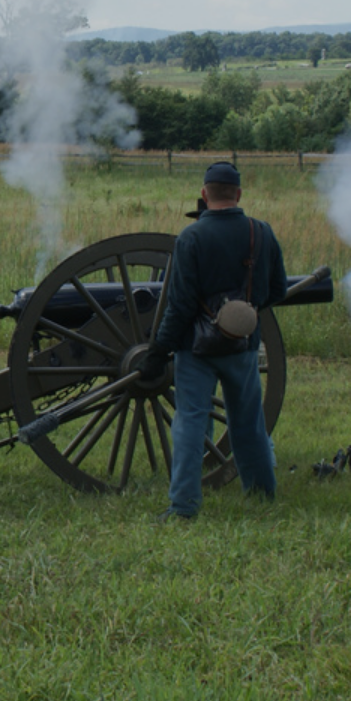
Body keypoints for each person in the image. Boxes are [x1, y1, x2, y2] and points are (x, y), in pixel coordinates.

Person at [141, 162, 288, 519]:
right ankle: (261, 494)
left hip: (196, 348)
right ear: (238, 194)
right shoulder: (261, 232)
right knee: (249, 422)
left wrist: (159, 350)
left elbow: (180, 305)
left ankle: (184, 506)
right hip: (242, 345)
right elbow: (278, 290)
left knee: (190, 422)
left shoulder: (191, 237)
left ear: (205, 195)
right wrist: (243, 313)